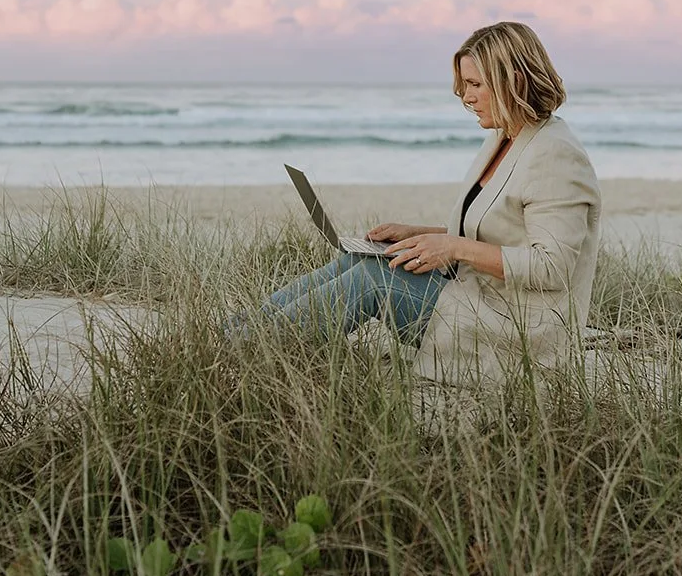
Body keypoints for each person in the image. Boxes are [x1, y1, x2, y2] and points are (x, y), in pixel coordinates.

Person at [247, 21, 602, 383]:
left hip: (517, 332)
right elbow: (502, 231)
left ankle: (261, 354)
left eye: (476, 85)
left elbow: (553, 268)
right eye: (465, 85)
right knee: (360, 257)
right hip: (477, 295)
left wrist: (453, 247)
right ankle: (245, 334)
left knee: (373, 279)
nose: (466, 97)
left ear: (516, 80)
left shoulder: (555, 154)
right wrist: (418, 234)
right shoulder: (505, 138)